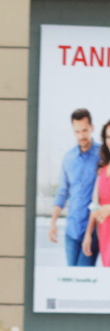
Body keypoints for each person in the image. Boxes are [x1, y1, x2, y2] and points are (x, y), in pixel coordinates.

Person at [52, 108, 99, 266]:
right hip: (71, 232)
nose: (81, 136)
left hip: (92, 232)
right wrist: (53, 223)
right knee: (71, 280)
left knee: (83, 278)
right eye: (77, 131)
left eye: (85, 130)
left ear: (91, 128)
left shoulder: (103, 155)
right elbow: (62, 193)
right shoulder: (69, 158)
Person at [82, 119, 110, 265]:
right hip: (104, 231)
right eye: (108, 137)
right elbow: (95, 204)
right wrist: (88, 234)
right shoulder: (102, 168)